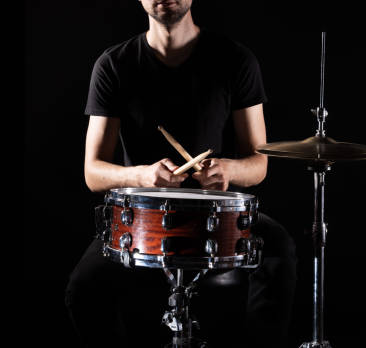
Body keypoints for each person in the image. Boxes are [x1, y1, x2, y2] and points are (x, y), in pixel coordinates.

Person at [64, 1, 297, 347]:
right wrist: (142, 177)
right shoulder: (113, 65)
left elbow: (259, 163)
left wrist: (229, 169)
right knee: (82, 290)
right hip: (139, 218)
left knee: (279, 249)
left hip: (218, 217)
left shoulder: (236, 60)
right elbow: (92, 172)